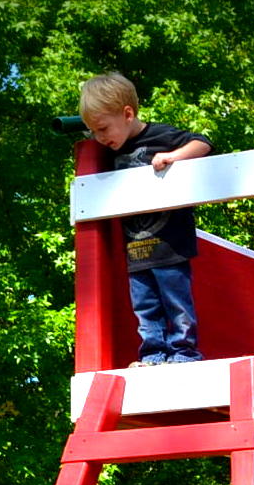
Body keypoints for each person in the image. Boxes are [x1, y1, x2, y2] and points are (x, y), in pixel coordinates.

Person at [79, 73, 213, 365]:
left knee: (176, 302)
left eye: (103, 128)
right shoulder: (108, 150)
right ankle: (153, 354)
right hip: (136, 249)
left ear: (128, 114)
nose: (100, 138)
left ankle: (183, 353)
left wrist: (173, 157)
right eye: (93, 132)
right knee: (145, 305)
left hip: (170, 243)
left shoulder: (159, 136)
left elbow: (202, 144)